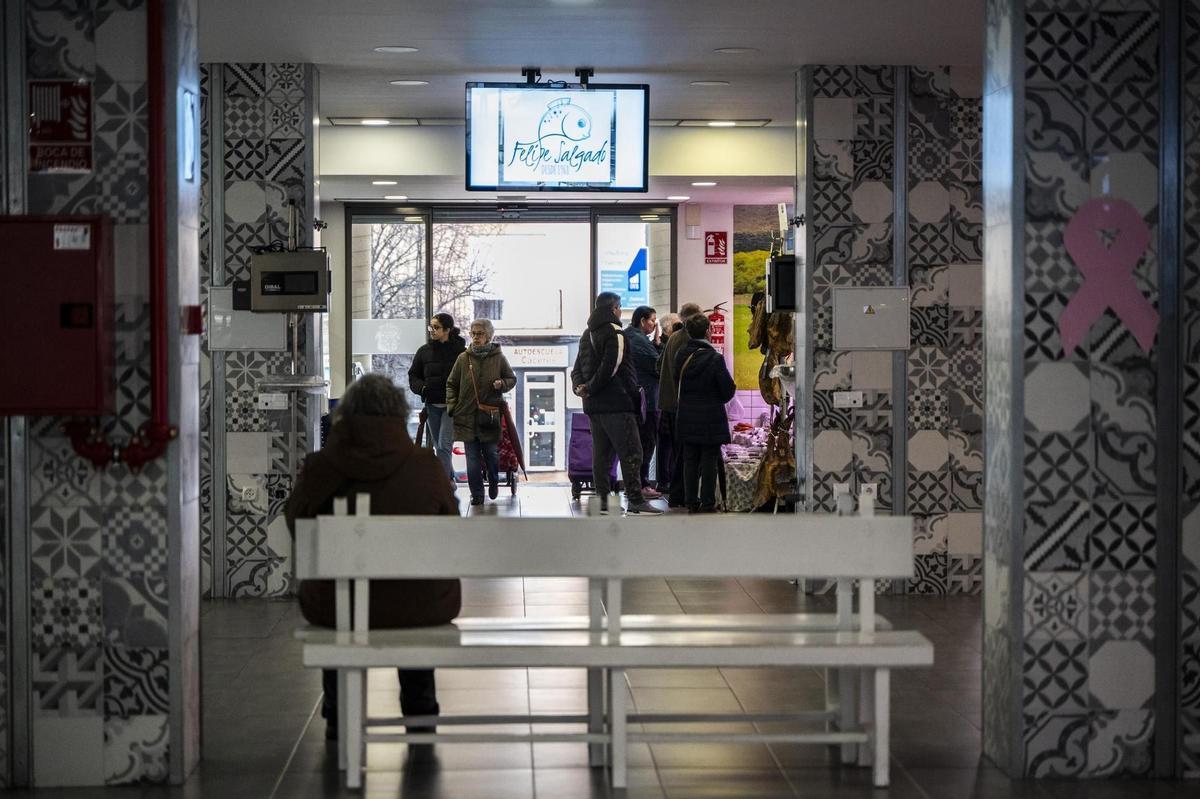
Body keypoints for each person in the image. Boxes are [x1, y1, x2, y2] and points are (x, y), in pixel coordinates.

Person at [285, 374, 461, 740]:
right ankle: (421, 712)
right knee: (413, 596)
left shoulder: (320, 467)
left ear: (344, 415)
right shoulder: (426, 465)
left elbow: (296, 526)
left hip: (337, 607)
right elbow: (451, 531)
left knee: (340, 601)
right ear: (399, 413)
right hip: (421, 605)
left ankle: (338, 715)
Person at [571, 292, 663, 515]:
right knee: (632, 452)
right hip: (617, 403)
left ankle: (603, 503)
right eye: (620, 308)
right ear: (614, 309)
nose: (621, 312)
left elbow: (577, 369)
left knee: (601, 457)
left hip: (594, 407)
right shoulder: (616, 333)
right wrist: (592, 386)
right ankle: (635, 501)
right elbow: (611, 367)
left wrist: (581, 388)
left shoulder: (587, 334)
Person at [445, 319, 516, 506]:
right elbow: (451, 384)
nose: (475, 337)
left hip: (490, 416)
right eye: (473, 333)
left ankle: (493, 481)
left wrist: (503, 384)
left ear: (488, 336)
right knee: (472, 458)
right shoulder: (463, 358)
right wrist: (453, 406)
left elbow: (511, 378)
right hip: (466, 416)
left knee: (492, 454)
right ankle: (476, 493)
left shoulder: (498, 358)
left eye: (480, 334)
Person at [674, 314, 736, 513]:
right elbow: (727, 390)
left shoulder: (680, 355)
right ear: (708, 331)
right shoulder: (715, 358)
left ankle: (691, 501)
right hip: (711, 417)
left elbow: (677, 383)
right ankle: (707, 502)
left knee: (689, 459)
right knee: (709, 459)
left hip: (686, 415)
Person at [408, 312, 466, 481]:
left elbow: (467, 378)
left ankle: (444, 484)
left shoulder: (460, 353)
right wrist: (423, 389)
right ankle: (450, 476)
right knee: (439, 447)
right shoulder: (424, 351)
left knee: (443, 446)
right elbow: (413, 376)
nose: (431, 331)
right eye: (430, 327)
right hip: (432, 405)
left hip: (452, 407)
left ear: (447, 329)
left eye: (436, 327)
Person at [656, 302, 703, 507]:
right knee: (685, 454)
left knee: (678, 452)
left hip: (669, 402)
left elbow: (659, 366)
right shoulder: (687, 341)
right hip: (681, 404)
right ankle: (681, 495)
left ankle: (679, 495)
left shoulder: (674, 338)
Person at [627, 306, 662, 497]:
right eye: (652, 320)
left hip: (638, 400)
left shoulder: (632, 337)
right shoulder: (639, 341)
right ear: (642, 321)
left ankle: (640, 483)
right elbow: (658, 366)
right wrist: (658, 344)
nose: (654, 324)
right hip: (646, 401)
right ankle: (642, 485)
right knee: (646, 443)